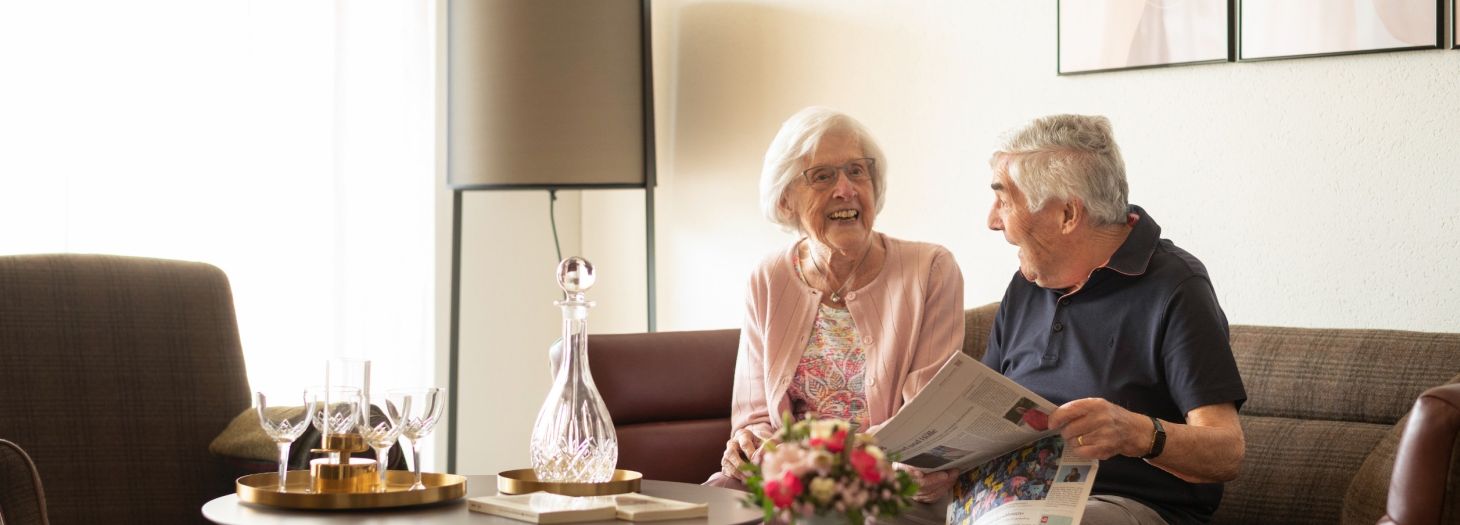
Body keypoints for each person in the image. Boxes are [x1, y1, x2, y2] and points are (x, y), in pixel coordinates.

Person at [982, 114, 1246, 524]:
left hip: (1121, 505)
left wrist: (1135, 432)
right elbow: (981, 414)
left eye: (1004, 200)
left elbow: (1227, 451)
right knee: (861, 497)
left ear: (1068, 214)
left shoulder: (1176, 286)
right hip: (1005, 494)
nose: (993, 220)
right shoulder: (1026, 285)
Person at [707, 107, 965, 502]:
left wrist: (808, 456)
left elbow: (922, 425)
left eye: (857, 171)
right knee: (707, 505)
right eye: (823, 176)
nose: (846, 189)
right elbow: (755, 416)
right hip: (788, 485)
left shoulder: (930, 269)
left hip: (886, 487)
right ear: (786, 200)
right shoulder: (768, 277)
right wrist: (748, 443)